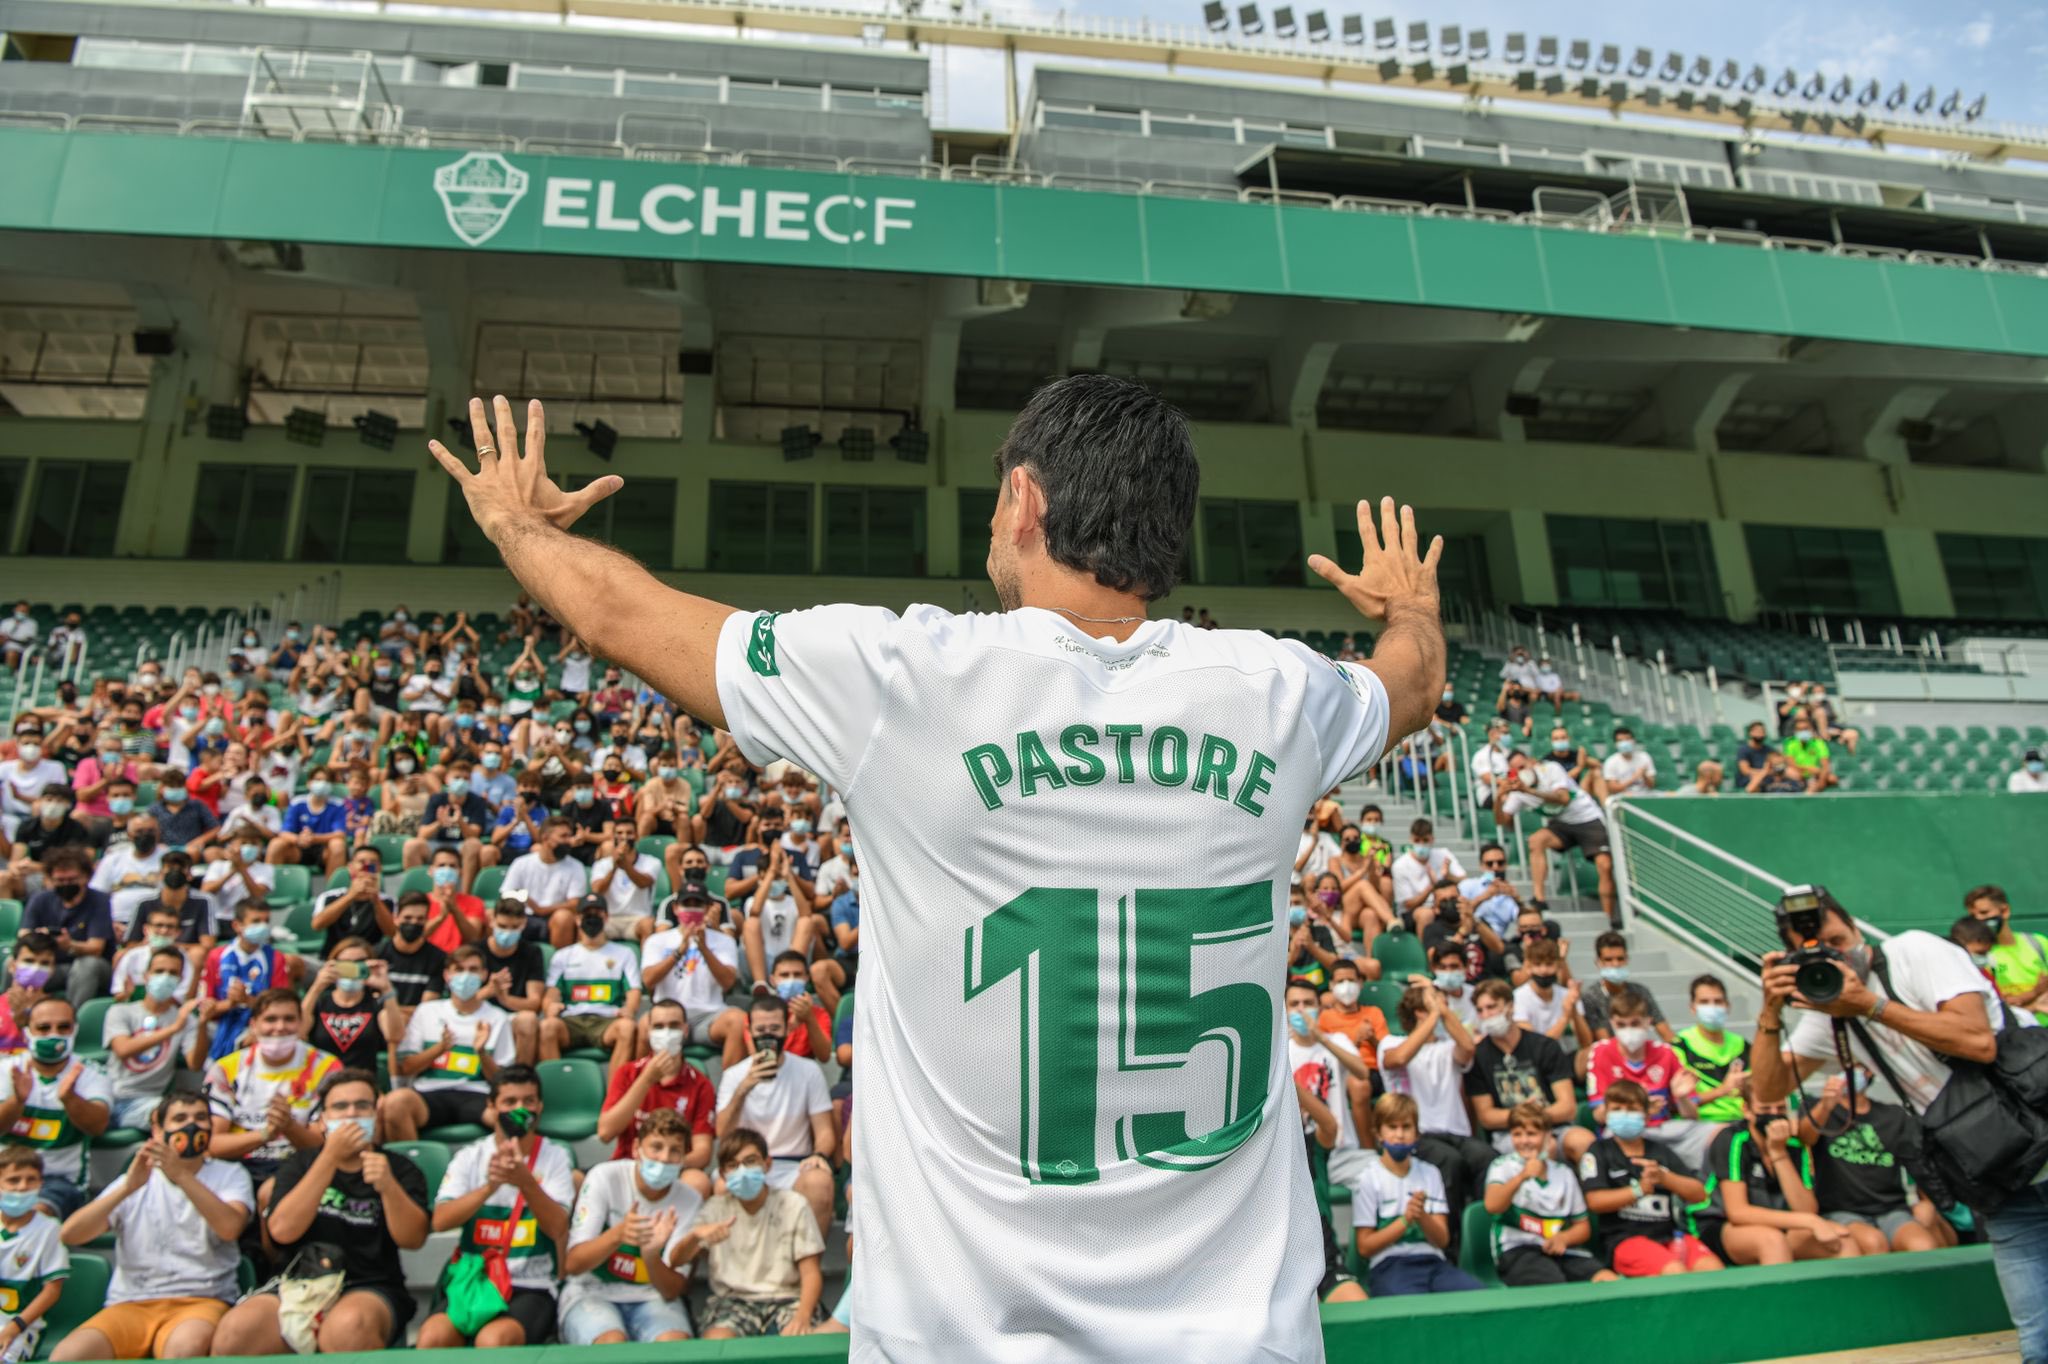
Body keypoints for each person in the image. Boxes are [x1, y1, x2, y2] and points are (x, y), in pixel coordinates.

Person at [434, 380, 1447, 1357]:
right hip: (1238, 1340)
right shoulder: (1276, 691)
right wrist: (1407, 607)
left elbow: (622, 615)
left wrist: (518, 524)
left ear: (1023, 501)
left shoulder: (906, 680)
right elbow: (1409, 683)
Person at [1749, 894, 2043, 1353]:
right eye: (1818, 950)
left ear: (1856, 928)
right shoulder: (1827, 1011)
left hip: (2035, 1114)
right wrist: (1770, 1013)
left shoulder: (1914, 951)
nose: (1835, 957)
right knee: (2037, 1334)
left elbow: (1978, 1041)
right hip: (1993, 1158)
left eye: (1838, 941)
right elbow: (1768, 1091)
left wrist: (1868, 1005)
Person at [209, 1070, 429, 1354]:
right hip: (296, 1282)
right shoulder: (299, 1164)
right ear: (323, 1119)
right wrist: (329, 1159)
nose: (351, 1114)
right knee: (235, 1333)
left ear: (376, 1114)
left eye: (362, 1106)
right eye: (340, 1107)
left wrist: (388, 1186)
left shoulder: (400, 1168)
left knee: (347, 1329)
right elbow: (283, 1231)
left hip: (369, 1285)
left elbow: (413, 1239)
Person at [53, 1092, 252, 1362]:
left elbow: (230, 1228)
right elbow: (71, 1234)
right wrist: (126, 1188)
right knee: (67, 1356)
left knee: (182, 1351)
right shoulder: (135, 1178)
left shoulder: (230, 1174)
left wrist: (180, 1175)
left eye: (200, 1118)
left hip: (201, 1299)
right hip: (130, 1303)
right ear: (158, 1131)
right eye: (180, 1118)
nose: (191, 1125)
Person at [416, 1067, 575, 1349]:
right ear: (491, 1106)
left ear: (540, 1106)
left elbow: (557, 1227)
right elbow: (440, 1221)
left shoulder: (555, 1157)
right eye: (510, 1102)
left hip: (531, 1284)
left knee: (494, 1341)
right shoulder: (470, 1157)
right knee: (431, 1338)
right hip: (476, 1280)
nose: (520, 1109)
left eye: (529, 1101)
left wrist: (527, 1183)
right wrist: (489, 1188)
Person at [558, 1109, 700, 1344]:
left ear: (684, 1158)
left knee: (674, 1346)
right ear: (636, 1149)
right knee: (612, 1345)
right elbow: (573, 1263)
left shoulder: (690, 1199)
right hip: (591, 1292)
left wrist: (652, 1256)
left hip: (653, 1297)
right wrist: (618, 1234)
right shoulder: (604, 1177)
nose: (664, 1158)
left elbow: (672, 1290)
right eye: (656, 1147)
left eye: (675, 1151)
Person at [668, 1127, 825, 1338]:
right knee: (717, 1341)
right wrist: (696, 1236)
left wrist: (802, 1317)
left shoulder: (793, 1204)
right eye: (733, 1165)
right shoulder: (715, 1208)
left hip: (788, 1299)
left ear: (767, 1164)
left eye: (750, 1161)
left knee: (797, 1341)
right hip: (732, 1301)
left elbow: (811, 1272)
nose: (742, 1171)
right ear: (723, 1174)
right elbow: (676, 1260)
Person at [1695, 1081, 1860, 1267]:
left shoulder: (1795, 1143)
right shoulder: (1733, 1139)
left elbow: (1805, 1209)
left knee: (1842, 1240)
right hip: (1723, 1226)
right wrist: (1810, 1221)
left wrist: (1778, 1153)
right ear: (1747, 1110)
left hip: (1784, 1224)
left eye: (1780, 1108)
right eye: (1765, 1108)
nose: (1773, 1114)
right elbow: (1737, 1212)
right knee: (1772, 1241)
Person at [715, 995, 837, 1239]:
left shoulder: (807, 1070)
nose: (767, 1036)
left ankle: (806, 1268)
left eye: (774, 1029)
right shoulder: (734, 1075)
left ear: (787, 1029)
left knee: (820, 1182)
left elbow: (824, 1131)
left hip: (794, 1164)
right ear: (749, 1030)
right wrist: (745, 1088)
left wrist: (819, 1155)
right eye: (761, 1030)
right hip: (748, 1164)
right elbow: (722, 1133)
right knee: (721, 1186)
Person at [1576, 1079, 1722, 1278]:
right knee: (1673, 1271)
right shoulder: (1599, 1151)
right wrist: (1638, 1190)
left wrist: (1665, 1178)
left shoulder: (1659, 1151)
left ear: (1646, 1115)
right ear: (1606, 1114)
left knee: (1712, 1269)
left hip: (1669, 1237)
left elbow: (1699, 1193)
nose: (1624, 1114)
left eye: (1632, 1109)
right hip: (1625, 1240)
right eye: (1617, 1109)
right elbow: (1595, 1201)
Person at [1800, 1072, 1955, 1256]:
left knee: (1922, 1245)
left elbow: (1916, 1160)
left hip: (1893, 1209)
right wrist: (1825, 1106)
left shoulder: (1893, 1115)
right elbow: (1805, 1138)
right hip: (1841, 1211)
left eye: (1859, 1066)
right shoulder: (1815, 1108)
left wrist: (1928, 1203)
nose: (1852, 1072)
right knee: (1873, 1243)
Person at [1344, 1093, 1480, 1297]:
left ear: (1417, 1134)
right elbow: (1364, 1247)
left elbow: (1442, 1240)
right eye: (1392, 1127)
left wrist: (1422, 1216)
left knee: (1476, 1296)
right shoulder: (1368, 1178)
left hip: (1434, 1262)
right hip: (1389, 1265)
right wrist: (1405, 1221)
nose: (1399, 1135)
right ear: (1378, 1134)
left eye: (1406, 1127)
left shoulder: (1431, 1173)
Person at [1377, 982, 1491, 1221]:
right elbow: (1398, 1059)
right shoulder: (1392, 1043)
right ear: (1420, 1012)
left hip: (1457, 1133)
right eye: (1438, 1005)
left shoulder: (1448, 1047)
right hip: (1419, 1135)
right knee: (1451, 1162)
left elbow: (1468, 1047)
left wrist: (1442, 1011)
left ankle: (1483, 1231)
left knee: (1486, 1157)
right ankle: (1450, 1241)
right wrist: (1435, 1014)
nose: (1444, 1009)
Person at [198, 989, 337, 1184]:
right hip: (236, 1165)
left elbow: (322, 1145)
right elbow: (213, 1144)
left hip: (300, 1166)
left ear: (301, 1023)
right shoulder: (225, 1069)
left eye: (289, 1019)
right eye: (270, 1019)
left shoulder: (326, 1068)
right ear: (254, 1025)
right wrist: (266, 1134)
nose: (280, 1027)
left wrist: (289, 1126)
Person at [381, 947, 517, 1141]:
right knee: (395, 1103)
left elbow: (501, 1082)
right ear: (447, 975)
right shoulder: (427, 1011)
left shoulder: (498, 1018)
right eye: (459, 970)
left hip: (476, 1094)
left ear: (484, 974)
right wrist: (439, 1049)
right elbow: (405, 1067)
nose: (465, 976)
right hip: (430, 1092)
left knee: (513, 1119)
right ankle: (411, 1167)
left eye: (473, 970)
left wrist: (481, 1052)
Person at [1482, 1101, 1615, 1286]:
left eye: (1531, 1134)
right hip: (1518, 1250)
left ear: (1546, 1136)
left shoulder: (1563, 1173)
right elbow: (1492, 1205)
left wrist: (1564, 1238)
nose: (1524, 1141)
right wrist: (1522, 1177)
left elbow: (1582, 1227)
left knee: (1608, 1280)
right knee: (1555, 1287)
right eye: (1517, 1134)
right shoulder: (1502, 1166)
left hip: (1561, 1249)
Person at [0, 998, 111, 1217]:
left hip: (60, 1182)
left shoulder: (91, 1073)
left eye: (63, 1027)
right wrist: (17, 1102)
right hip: (4, 1174)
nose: (54, 1034)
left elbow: (98, 1126)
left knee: (33, 1215)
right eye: (43, 1028)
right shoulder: (6, 1070)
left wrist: (70, 1099)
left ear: (75, 1030)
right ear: (27, 1033)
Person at [597, 1000, 717, 1191]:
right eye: (659, 1027)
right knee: (597, 1177)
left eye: (674, 1026)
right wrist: (646, 1080)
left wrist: (664, 1165)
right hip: (629, 1164)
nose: (666, 1033)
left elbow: (703, 1152)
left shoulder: (701, 1084)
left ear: (685, 1030)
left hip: (675, 1169)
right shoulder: (627, 1074)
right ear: (648, 1031)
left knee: (698, 1181)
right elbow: (605, 1132)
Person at [1496, 750, 1616, 922]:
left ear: (1532, 762)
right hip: (1562, 824)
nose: (1521, 772)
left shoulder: (1551, 769)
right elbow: (1502, 821)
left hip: (1588, 818)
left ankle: (1608, 918)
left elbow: (1563, 798)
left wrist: (1529, 791)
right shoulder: (1518, 792)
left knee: (1604, 865)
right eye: (1515, 770)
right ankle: (1539, 899)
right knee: (1536, 840)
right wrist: (1498, 797)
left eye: (1522, 766)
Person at [640, 882, 749, 1068]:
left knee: (738, 1020)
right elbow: (648, 980)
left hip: (708, 1016)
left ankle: (727, 1091)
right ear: (675, 908)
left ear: (707, 908)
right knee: (643, 1024)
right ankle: (642, 1087)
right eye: (686, 903)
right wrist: (678, 953)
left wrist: (704, 948)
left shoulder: (724, 941)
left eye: (697, 904)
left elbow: (728, 982)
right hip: (669, 1014)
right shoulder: (657, 940)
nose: (692, 909)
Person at [1465, 980, 1575, 1155]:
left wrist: (1537, 1116)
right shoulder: (1478, 1056)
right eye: (1480, 1010)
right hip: (1510, 1133)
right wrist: (1525, 1116)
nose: (1486, 1015)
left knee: (1582, 1141)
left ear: (1511, 1006)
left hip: (1554, 1124)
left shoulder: (1544, 1046)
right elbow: (1486, 1116)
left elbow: (1567, 1107)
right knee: (1546, 1148)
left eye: (1492, 1007)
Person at [103, 946, 202, 1130]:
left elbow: (194, 1064)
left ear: (180, 979)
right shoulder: (120, 1011)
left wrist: (202, 1024)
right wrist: (173, 1029)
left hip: (148, 1102)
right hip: (109, 1097)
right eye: (159, 971)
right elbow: (123, 1049)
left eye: (173, 973)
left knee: (182, 1116)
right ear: (146, 975)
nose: (165, 977)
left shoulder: (186, 1020)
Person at [541, 898, 641, 1066]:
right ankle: (555, 1086)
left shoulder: (624, 953)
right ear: (578, 918)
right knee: (547, 1026)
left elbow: (634, 992)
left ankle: (615, 1092)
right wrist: (549, 1006)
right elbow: (551, 993)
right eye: (587, 914)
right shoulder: (563, 956)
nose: (592, 918)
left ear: (606, 917)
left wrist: (629, 1009)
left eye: (597, 913)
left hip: (607, 1020)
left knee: (627, 1028)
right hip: (571, 1019)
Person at [22, 849, 115, 1008]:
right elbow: (23, 936)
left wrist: (69, 945)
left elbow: (96, 948)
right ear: (50, 879)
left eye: (71, 879)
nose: (65, 884)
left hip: (92, 968)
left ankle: (73, 1019)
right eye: (60, 880)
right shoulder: (40, 899)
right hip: (51, 965)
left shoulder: (98, 901)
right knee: (14, 962)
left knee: (86, 965)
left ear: (86, 877)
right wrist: (41, 939)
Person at [0, 1147, 68, 1360]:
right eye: (13, 1180)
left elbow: (52, 1290)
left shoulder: (49, 1229)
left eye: (31, 1180)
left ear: (41, 1183)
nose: (22, 1187)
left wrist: (16, 1326)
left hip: (21, 1326)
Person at [1963, 884, 2048, 1024]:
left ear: (2005, 911)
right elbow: (1995, 1004)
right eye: (1973, 916)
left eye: (1984, 913)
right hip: (2015, 1035)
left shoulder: (2038, 942)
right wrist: (2035, 995)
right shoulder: (1978, 956)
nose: (1979, 920)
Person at [1673, 975, 1750, 1128]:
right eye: (1704, 1002)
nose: (1712, 1007)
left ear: (1728, 1006)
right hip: (1698, 1124)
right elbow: (1677, 1102)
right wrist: (1723, 1090)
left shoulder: (1743, 1045)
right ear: (1693, 1008)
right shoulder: (1680, 1046)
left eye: (1718, 1001)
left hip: (1741, 1121)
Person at [502, 818, 589, 946]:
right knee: (494, 915)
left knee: (563, 917)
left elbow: (574, 904)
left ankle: (560, 964)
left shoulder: (576, 866)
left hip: (553, 919)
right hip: (522, 916)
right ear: (545, 838)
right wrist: (528, 902)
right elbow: (507, 894)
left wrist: (541, 910)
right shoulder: (521, 863)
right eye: (563, 836)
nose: (568, 841)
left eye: (569, 836)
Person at [1600, 727, 1657, 797]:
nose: (1625, 743)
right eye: (1620, 740)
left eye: (1627, 739)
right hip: (1623, 797)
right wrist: (1633, 778)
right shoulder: (1611, 762)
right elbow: (1613, 789)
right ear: (1615, 744)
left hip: (1645, 795)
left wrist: (1644, 775)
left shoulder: (1644, 757)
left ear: (1634, 741)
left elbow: (1651, 785)